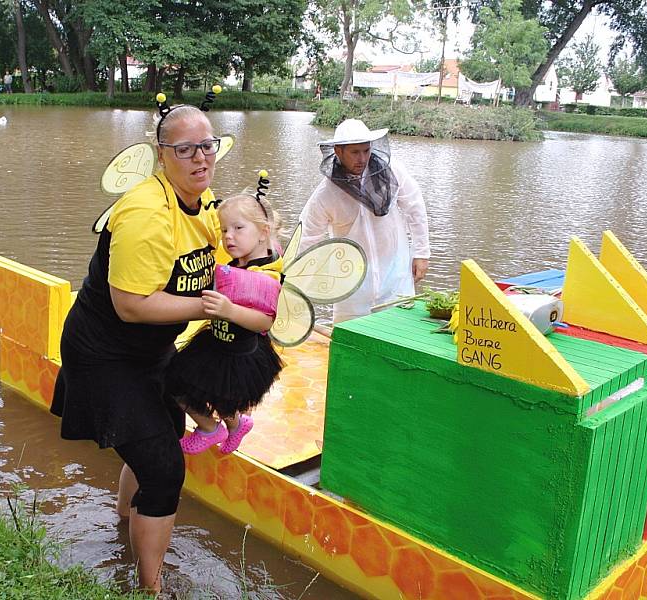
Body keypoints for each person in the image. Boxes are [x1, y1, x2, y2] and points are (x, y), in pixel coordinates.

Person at [49, 94, 223, 594]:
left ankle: (125, 521)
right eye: (186, 150)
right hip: (105, 355)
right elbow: (131, 304)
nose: (200, 158)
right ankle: (150, 587)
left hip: (150, 351)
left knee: (158, 444)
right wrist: (213, 309)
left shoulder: (203, 200)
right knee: (166, 469)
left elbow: (221, 254)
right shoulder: (146, 212)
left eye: (207, 147)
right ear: (161, 154)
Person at [167, 190, 284, 455]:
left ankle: (214, 428)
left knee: (218, 393)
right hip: (216, 342)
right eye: (224, 230)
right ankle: (233, 426)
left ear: (263, 232)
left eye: (238, 228)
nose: (228, 236)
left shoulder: (265, 275)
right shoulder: (239, 260)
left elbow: (265, 321)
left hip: (240, 352)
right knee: (179, 384)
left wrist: (229, 310)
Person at [299, 118, 430, 323]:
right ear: (338, 152)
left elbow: (415, 207)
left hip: (395, 271)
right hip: (351, 282)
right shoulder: (326, 193)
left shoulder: (391, 171)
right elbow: (308, 238)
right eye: (354, 152)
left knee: (399, 330)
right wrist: (295, 284)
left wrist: (421, 253)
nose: (362, 158)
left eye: (366, 151)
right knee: (350, 339)